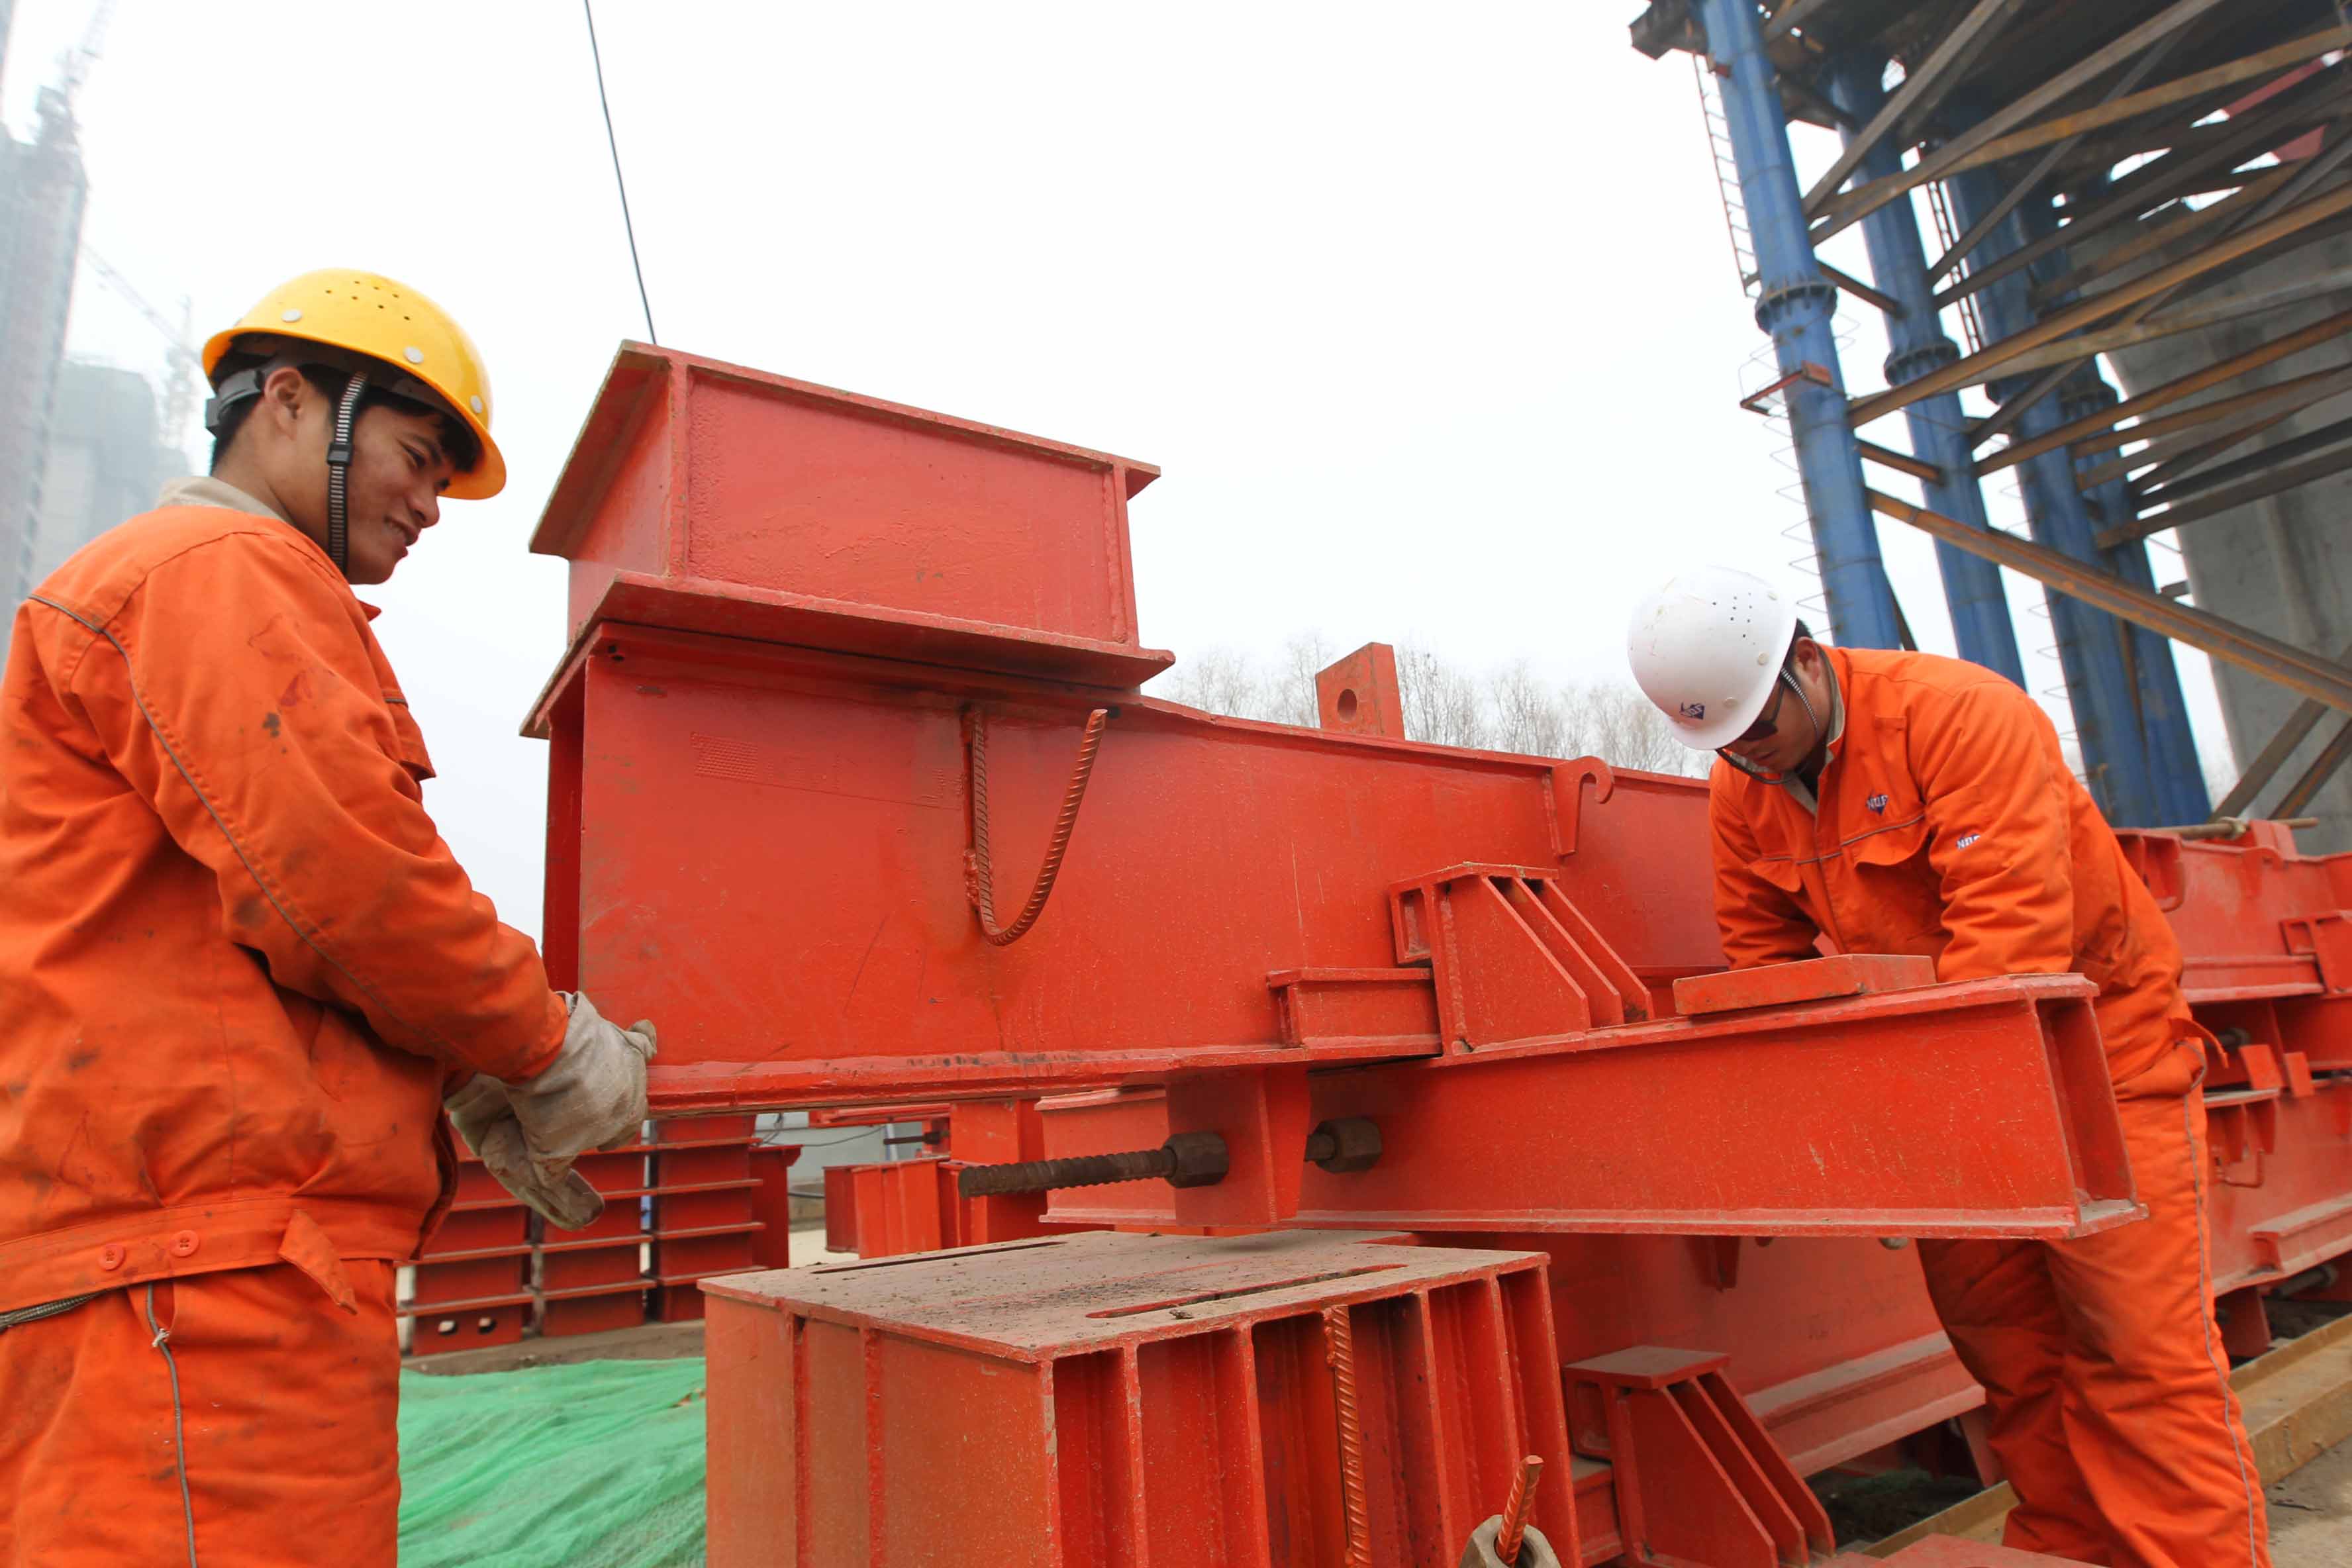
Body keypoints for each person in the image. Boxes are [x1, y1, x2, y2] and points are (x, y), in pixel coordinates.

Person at [0, 270, 655, 1568]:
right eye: (417, 458)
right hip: (205, 1281)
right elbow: (345, 879)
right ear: (292, 402)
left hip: (188, 1263)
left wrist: (451, 1058)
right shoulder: (219, 573)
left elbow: (256, 909)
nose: (429, 504)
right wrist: (541, 1044)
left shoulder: (183, 588)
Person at [1628, 565, 2268, 1568]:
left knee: (2141, 1359)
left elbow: (2011, 947)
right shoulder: (1742, 788)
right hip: (1951, 1091)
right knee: (2013, 1357)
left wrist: (1927, 1123)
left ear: (1805, 664)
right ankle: (2068, 1550)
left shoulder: (1959, 715)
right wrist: (1821, 1134)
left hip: (2100, 1064)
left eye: (1758, 728)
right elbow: (1768, 970)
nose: (1748, 756)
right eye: (1727, 744)